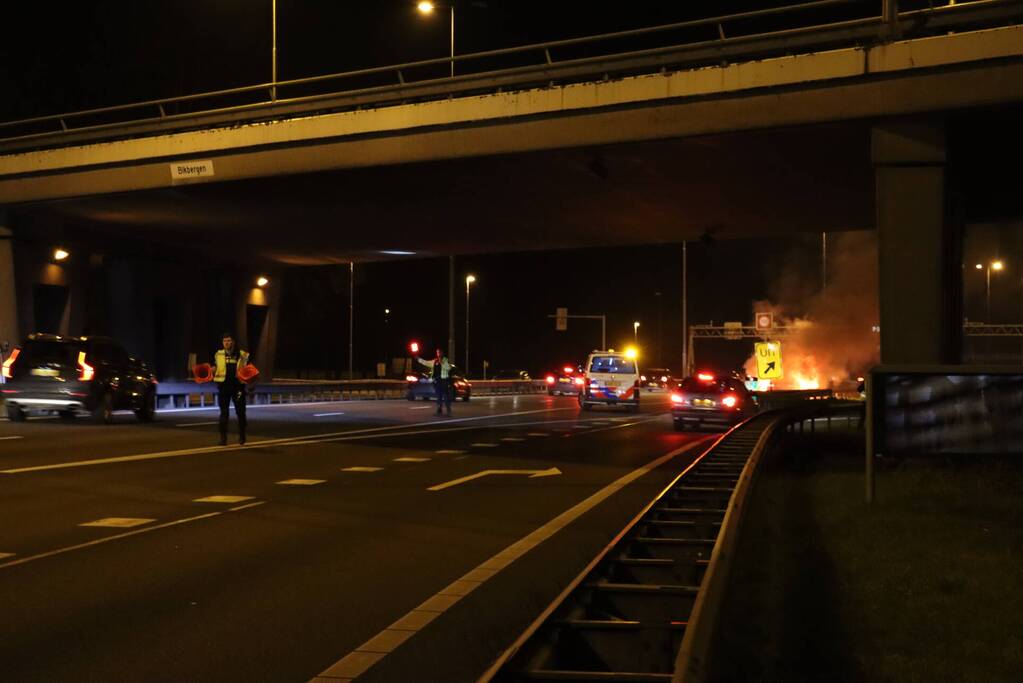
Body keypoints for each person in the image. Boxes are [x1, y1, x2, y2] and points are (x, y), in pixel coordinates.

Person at [213, 332, 251, 445]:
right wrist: (211, 370)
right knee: (223, 413)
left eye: (229, 340)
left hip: (238, 389)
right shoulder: (218, 355)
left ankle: (242, 435)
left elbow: (249, 370)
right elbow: (215, 367)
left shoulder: (242, 355)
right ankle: (223, 439)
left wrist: (251, 384)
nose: (226, 343)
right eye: (224, 341)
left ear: (233, 342)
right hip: (224, 388)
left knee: (240, 412)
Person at [417, 347, 453, 416]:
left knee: (446, 395)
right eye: (437, 352)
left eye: (439, 352)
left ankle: (448, 408)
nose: (438, 354)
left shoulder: (446, 361)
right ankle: (439, 409)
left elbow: (448, 368)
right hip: (437, 381)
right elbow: (426, 363)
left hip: (444, 380)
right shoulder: (435, 361)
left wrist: (442, 362)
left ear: (442, 353)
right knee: (439, 395)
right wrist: (419, 359)